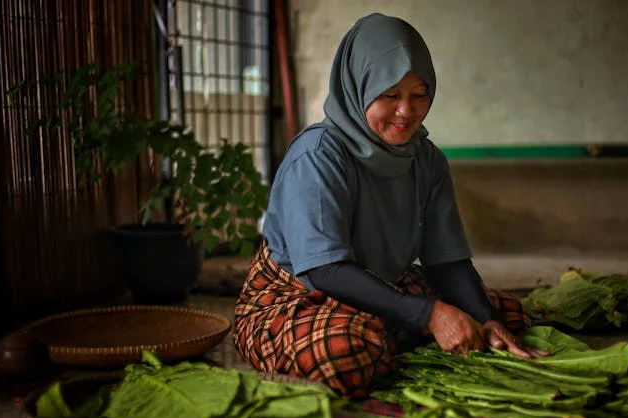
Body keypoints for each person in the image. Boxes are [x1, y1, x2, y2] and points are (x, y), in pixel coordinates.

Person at [233, 12, 546, 398]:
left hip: (385, 285)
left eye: (420, 94)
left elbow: (445, 259)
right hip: (295, 299)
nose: (407, 111)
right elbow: (325, 269)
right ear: (358, 89)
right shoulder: (317, 156)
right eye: (389, 95)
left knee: (509, 316)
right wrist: (428, 314)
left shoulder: (427, 160)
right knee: (343, 355)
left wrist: (485, 319)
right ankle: (390, 333)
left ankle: (389, 332)